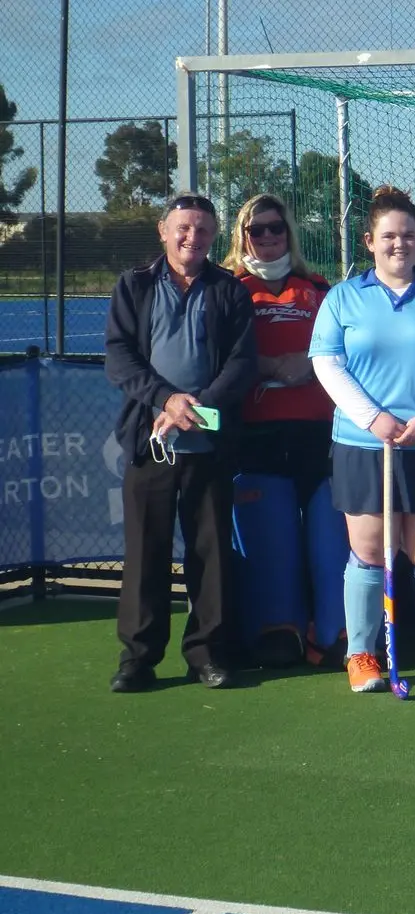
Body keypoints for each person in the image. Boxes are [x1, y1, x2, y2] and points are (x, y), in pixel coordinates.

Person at [309, 185, 415, 694]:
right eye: (389, 235)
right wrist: (373, 419)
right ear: (370, 241)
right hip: (365, 446)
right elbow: (328, 365)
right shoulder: (343, 297)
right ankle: (360, 655)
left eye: (408, 234)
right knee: (367, 552)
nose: (399, 244)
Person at [104, 192, 258, 692]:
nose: (193, 237)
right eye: (184, 228)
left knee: (210, 555)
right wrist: (167, 401)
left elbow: (241, 362)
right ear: (163, 230)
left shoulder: (230, 291)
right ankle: (139, 659)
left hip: (209, 446)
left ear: (215, 237)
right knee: (145, 554)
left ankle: (207, 655)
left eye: (204, 230)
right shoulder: (134, 286)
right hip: (150, 445)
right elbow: (120, 358)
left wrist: (195, 410)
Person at [222, 192, 343, 667]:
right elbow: (215, 356)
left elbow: (345, 350)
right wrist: (266, 364)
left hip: (319, 435)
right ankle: (279, 629)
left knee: (329, 541)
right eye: (258, 230)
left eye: (277, 228)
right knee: (271, 543)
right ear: (242, 235)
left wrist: (310, 365)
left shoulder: (319, 288)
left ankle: (335, 632)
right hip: (257, 439)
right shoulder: (230, 288)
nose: (269, 237)